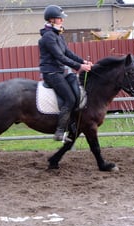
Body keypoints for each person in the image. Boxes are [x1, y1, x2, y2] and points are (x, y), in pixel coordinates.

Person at [38, 5, 92, 141]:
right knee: (70, 99)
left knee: (76, 93)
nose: (62, 20)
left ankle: (72, 125)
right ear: (51, 20)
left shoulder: (58, 35)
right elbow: (59, 57)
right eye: (59, 18)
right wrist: (79, 66)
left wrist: (83, 61)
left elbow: (68, 53)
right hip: (51, 73)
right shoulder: (48, 37)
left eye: (61, 18)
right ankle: (60, 131)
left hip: (59, 72)